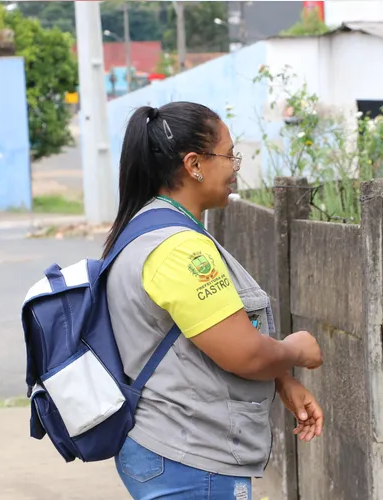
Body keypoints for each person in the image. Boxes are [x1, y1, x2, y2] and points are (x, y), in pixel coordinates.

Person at [105, 102, 324, 499]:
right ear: (194, 164)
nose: (235, 167)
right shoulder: (180, 250)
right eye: (228, 154)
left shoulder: (152, 227)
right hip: (189, 460)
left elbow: (195, 337)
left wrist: (281, 379)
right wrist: (295, 350)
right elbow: (245, 354)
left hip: (173, 451)